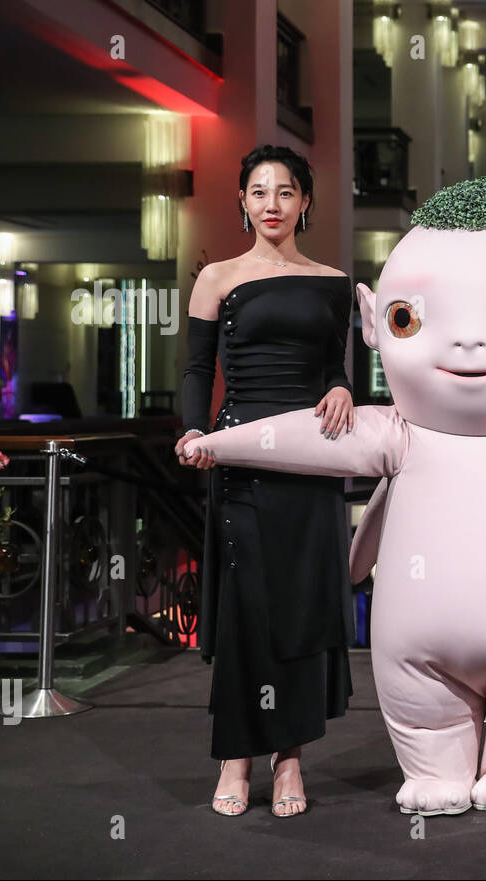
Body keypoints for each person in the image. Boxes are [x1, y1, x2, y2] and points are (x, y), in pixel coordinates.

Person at [176, 145, 356, 818]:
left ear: (305, 202)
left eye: (286, 192)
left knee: (300, 607)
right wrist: (196, 432)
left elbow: (335, 367)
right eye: (259, 191)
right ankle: (235, 756)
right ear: (243, 202)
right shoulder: (216, 277)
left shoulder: (333, 280)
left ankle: (288, 760)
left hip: (310, 457)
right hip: (242, 454)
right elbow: (197, 369)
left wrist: (340, 387)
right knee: (248, 609)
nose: (272, 203)